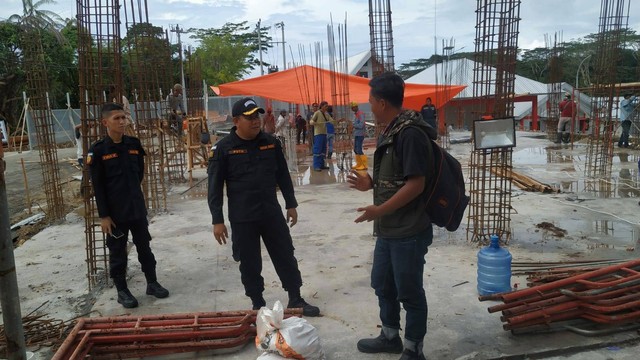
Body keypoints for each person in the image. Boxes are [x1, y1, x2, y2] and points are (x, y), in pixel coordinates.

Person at [347, 72, 435, 360]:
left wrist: (378, 210)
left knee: (409, 291)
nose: (369, 105)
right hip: (388, 229)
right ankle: (389, 336)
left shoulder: (410, 133)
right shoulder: (390, 129)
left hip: (408, 230)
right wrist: (370, 183)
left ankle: (413, 349)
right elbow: (398, 177)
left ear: (382, 102)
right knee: (383, 284)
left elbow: (416, 184)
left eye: (371, 100)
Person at [207, 97, 320, 317]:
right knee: (249, 262)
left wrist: (291, 204)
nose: (256, 121)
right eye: (249, 118)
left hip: (270, 212)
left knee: (285, 254)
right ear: (236, 120)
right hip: (243, 217)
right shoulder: (223, 149)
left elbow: (283, 176)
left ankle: (295, 297)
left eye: (257, 116)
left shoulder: (270, 142)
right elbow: (214, 187)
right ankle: (258, 302)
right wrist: (217, 220)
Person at [88, 103, 169, 309]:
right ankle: (122, 291)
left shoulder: (133, 144)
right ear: (105, 122)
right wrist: (104, 215)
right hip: (115, 214)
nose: (122, 122)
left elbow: (139, 174)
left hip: (136, 208)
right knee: (117, 253)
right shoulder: (98, 151)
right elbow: (97, 186)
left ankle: (152, 283)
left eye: (124, 117)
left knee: (145, 247)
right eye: (117, 118)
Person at [309, 101, 334, 171]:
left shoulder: (326, 114)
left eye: (327, 106)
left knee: (323, 150)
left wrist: (335, 122)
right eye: (325, 106)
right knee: (317, 150)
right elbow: (311, 121)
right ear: (322, 106)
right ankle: (316, 166)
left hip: (324, 133)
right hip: (318, 134)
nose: (327, 107)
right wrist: (313, 123)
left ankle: (322, 165)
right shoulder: (317, 113)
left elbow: (331, 120)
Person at [351, 101, 367, 170]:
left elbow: (361, 125)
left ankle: (364, 165)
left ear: (356, 107)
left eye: (354, 107)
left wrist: (353, 125)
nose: (353, 109)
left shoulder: (360, 114)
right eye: (352, 108)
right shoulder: (356, 114)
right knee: (355, 149)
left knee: (359, 149)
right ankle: (359, 164)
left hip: (360, 134)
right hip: (356, 133)